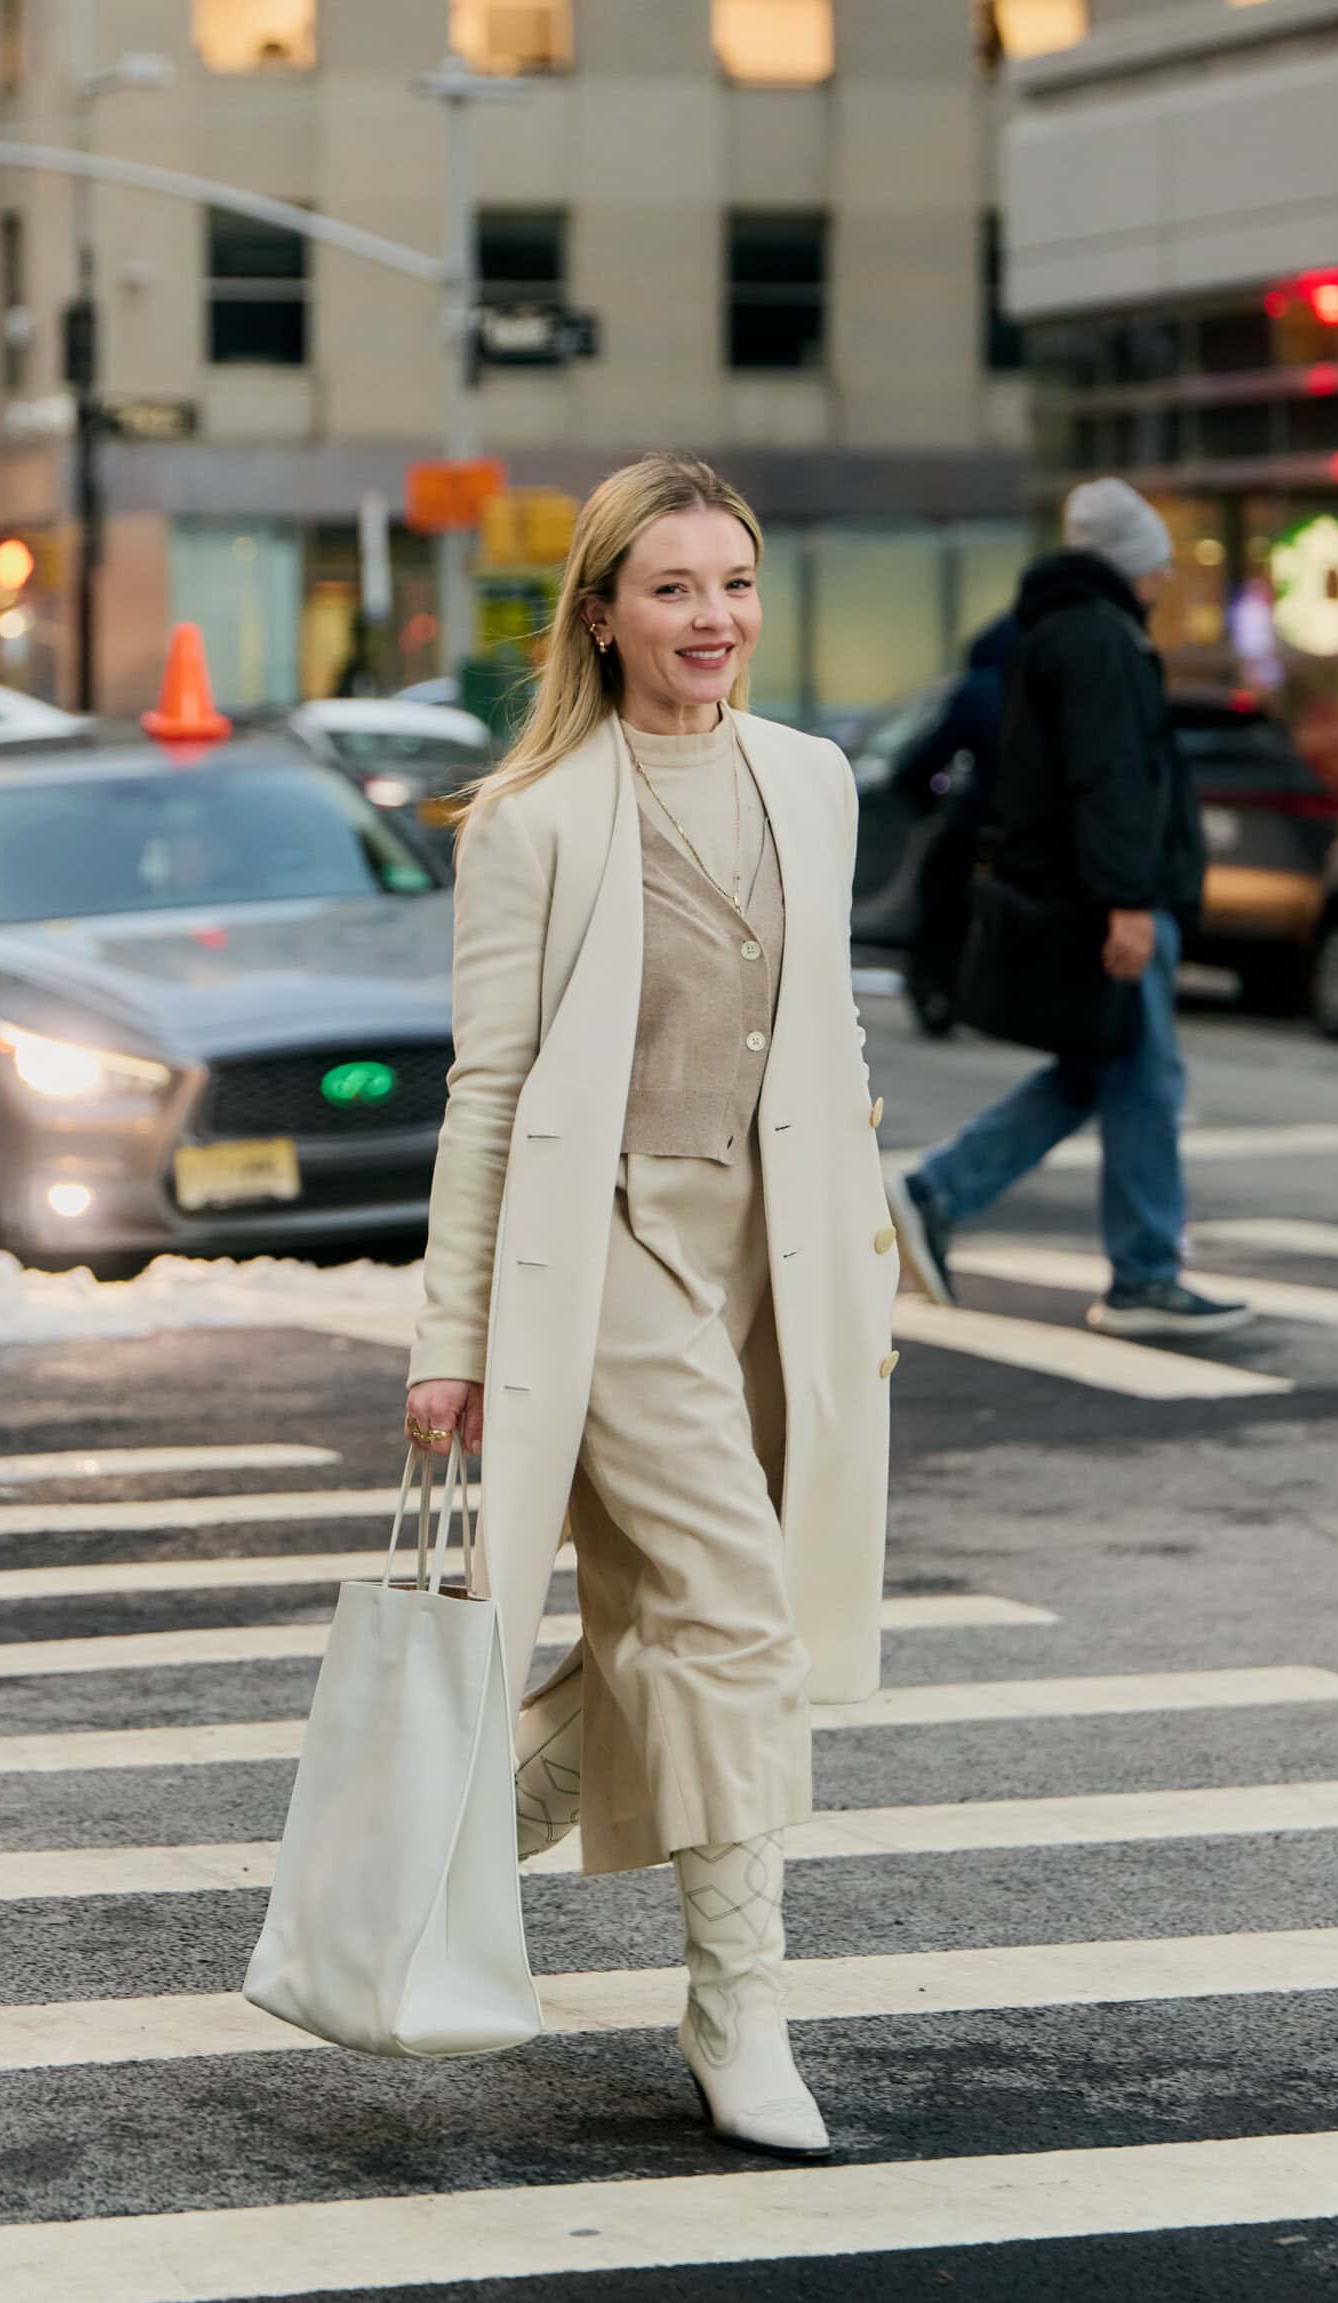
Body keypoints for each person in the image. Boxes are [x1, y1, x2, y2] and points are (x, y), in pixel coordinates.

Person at [404, 454, 900, 2158]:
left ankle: (473, 1819)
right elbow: (484, 1097)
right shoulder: (536, 823)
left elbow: (827, 1038)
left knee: (678, 1622)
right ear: (601, 612)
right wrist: (447, 1342)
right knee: (737, 1610)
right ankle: (736, 2006)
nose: (713, 618)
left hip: (772, 1253)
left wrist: (867, 1249)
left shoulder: (812, 781)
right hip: (605, 1251)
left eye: (734, 584)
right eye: (673, 588)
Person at [885, 478, 1251, 1340]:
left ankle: (938, 1194)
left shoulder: (1060, 629)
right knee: (1143, 1081)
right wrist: (1128, 902)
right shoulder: (1100, 637)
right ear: (1130, 565)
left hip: (1087, 893)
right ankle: (1142, 1277)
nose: (1163, 584)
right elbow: (1110, 779)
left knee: (1104, 1072)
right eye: (1158, 567)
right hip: (1109, 903)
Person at [895, 610, 1016, 1034]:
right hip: (1039, 825)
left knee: (944, 900)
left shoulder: (980, 690)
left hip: (981, 818)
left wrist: (917, 791)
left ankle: (937, 987)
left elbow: (932, 753)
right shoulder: (1054, 686)